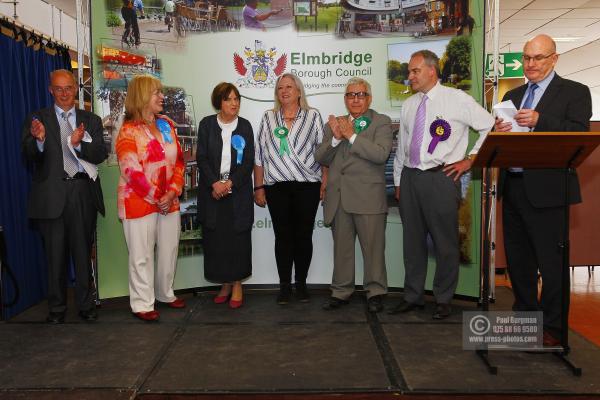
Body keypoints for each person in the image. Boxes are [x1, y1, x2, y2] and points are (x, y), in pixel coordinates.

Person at [494, 34, 592, 346]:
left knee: (552, 266)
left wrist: (540, 119)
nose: (531, 64)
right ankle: (525, 322)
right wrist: (501, 132)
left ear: (554, 59)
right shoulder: (516, 93)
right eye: (526, 58)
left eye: (538, 58)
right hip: (514, 187)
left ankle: (553, 329)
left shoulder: (575, 92)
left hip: (549, 192)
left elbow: (578, 133)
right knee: (519, 264)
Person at [390, 50, 494, 319]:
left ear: (431, 71)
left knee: (445, 243)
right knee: (412, 243)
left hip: (441, 178)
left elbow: (489, 125)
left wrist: (471, 160)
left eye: (414, 71)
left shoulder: (456, 99)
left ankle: (443, 298)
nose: (409, 76)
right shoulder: (409, 104)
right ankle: (413, 296)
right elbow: (402, 146)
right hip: (411, 178)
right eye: (409, 71)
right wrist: (400, 180)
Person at [21, 69, 107, 324]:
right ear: (51, 90)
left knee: (83, 253)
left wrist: (80, 145)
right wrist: (38, 141)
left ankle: (85, 305)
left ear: (76, 88)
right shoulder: (38, 119)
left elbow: (101, 152)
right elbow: (28, 155)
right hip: (51, 196)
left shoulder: (90, 119)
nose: (65, 93)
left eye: (69, 87)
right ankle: (56, 309)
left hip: (82, 192)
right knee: (55, 256)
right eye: (59, 89)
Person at [315, 77, 392, 314]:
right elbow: (321, 158)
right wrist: (337, 138)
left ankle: (375, 292)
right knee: (342, 250)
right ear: (345, 99)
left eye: (360, 94)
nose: (355, 99)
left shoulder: (381, 121)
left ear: (369, 98)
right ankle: (340, 291)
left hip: (368, 197)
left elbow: (381, 154)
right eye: (350, 95)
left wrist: (351, 136)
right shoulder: (334, 124)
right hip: (339, 198)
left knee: (373, 250)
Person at [116, 74, 186, 322]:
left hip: (170, 200)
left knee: (169, 249)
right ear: (142, 96)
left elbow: (179, 160)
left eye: (160, 92)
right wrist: (159, 197)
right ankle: (142, 303)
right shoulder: (127, 130)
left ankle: (165, 293)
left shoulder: (166, 124)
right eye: (156, 92)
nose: (162, 97)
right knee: (141, 254)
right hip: (139, 202)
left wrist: (172, 192)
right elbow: (130, 171)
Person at [254, 73, 325, 304]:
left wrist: (325, 182)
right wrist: (259, 187)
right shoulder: (268, 118)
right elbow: (259, 156)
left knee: (304, 236)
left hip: (308, 187)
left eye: (289, 87)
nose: (284, 91)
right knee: (282, 237)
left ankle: (301, 284)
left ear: (298, 91)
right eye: (280, 88)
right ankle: (285, 285)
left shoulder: (313, 116)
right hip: (277, 188)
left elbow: (323, 153)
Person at [196, 83, 255, 309]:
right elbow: (201, 157)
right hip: (213, 193)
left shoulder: (245, 126)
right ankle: (225, 284)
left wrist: (230, 183)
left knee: (238, 240)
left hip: (237, 193)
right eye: (229, 99)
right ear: (218, 102)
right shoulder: (207, 125)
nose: (235, 103)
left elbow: (248, 161)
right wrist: (214, 183)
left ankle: (237, 283)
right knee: (217, 241)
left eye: (237, 99)